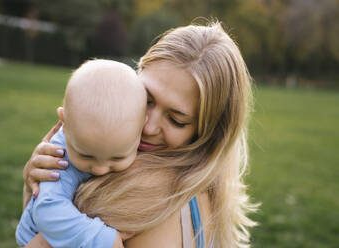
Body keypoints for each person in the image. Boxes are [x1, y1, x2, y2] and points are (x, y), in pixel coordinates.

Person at [22, 21, 258, 248]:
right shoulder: (201, 190)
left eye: (176, 120)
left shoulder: (141, 196)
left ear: (208, 135)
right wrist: (33, 186)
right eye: (147, 100)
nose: (148, 127)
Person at [16, 59, 147, 247]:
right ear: (65, 122)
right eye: (87, 156)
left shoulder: (125, 132)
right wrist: (103, 239)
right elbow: (47, 211)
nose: (100, 169)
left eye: (117, 157)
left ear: (141, 127)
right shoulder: (58, 158)